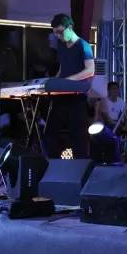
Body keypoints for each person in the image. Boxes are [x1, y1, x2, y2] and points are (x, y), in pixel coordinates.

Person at [45, 13, 95, 158]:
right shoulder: (61, 45)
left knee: (78, 136)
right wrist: (54, 82)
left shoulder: (83, 45)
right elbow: (63, 67)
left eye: (60, 32)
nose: (58, 36)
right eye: (55, 33)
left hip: (76, 98)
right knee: (50, 133)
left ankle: (80, 167)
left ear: (70, 27)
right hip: (61, 95)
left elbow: (90, 70)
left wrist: (68, 81)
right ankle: (53, 164)